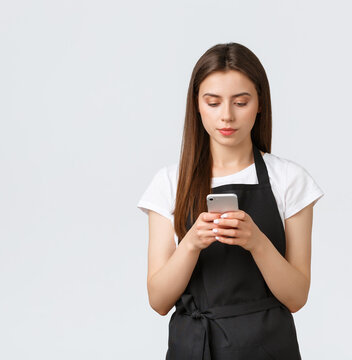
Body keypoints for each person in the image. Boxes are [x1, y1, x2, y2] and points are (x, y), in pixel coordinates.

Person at [137, 42, 325, 360]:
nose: (226, 116)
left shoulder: (290, 180)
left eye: (240, 102)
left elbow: (296, 297)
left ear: (259, 104)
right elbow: (158, 301)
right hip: (193, 348)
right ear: (196, 105)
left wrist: (257, 243)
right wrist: (192, 244)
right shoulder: (169, 183)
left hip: (268, 347)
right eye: (213, 102)